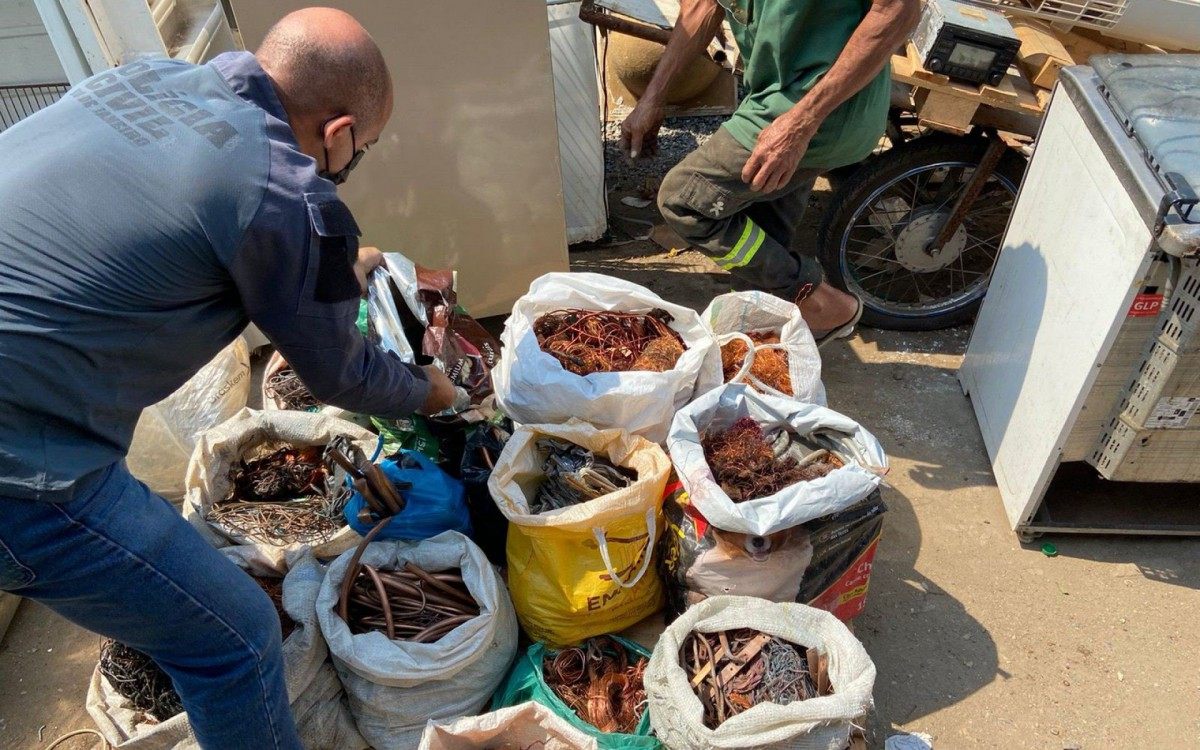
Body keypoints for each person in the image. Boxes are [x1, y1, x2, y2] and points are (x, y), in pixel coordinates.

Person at [0, 8, 454, 748]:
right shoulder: (288, 197)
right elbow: (345, 375)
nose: (346, 166)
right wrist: (432, 391)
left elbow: (201, 208)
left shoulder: (149, 79)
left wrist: (344, 259)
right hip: (21, 465)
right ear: (338, 133)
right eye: (360, 151)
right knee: (235, 640)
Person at [622, 0, 920, 344]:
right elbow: (703, 6)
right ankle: (769, 334)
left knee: (684, 201)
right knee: (764, 228)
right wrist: (653, 98)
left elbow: (898, 10)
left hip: (821, 109)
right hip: (773, 98)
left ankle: (816, 298)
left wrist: (802, 123)